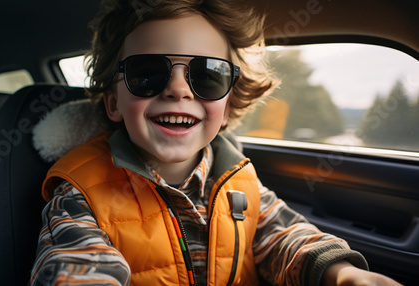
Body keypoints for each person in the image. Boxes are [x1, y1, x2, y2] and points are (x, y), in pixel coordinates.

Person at [30, 0, 402, 285]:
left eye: (207, 76)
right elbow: (77, 264)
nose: (177, 89)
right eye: (148, 74)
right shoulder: (79, 193)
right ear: (114, 102)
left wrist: (341, 272)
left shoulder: (240, 179)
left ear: (226, 109)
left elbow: (282, 236)